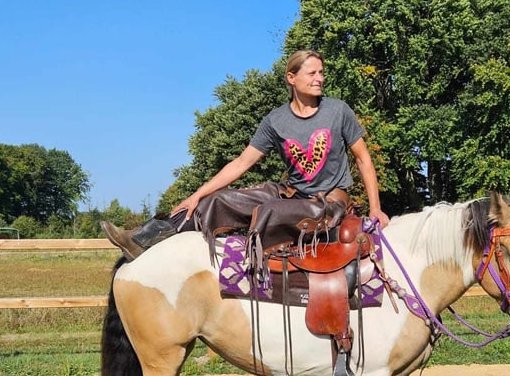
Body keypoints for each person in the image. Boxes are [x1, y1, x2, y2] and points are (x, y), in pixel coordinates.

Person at [101, 49, 390, 261]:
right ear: (291, 77)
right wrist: (197, 194)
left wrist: (375, 208)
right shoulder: (275, 120)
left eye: (321, 72)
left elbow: (363, 159)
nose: (319, 79)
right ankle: (143, 239)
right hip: (291, 194)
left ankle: (247, 269)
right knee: (214, 202)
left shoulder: (337, 110)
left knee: (270, 212)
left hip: (328, 202)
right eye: (312, 73)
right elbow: (242, 162)